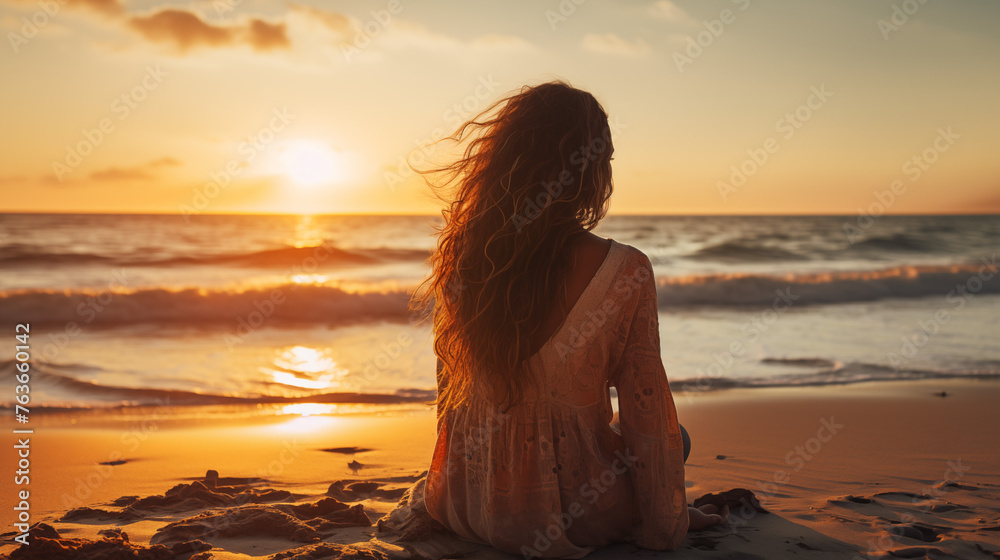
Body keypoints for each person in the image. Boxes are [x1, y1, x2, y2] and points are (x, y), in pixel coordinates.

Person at [394, 81, 727, 558]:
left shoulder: (465, 262)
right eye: (606, 158)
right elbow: (645, 417)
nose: (610, 171)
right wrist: (668, 519)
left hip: (467, 506)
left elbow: (451, 408)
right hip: (574, 514)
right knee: (679, 439)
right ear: (586, 170)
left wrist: (463, 494)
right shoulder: (626, 270)